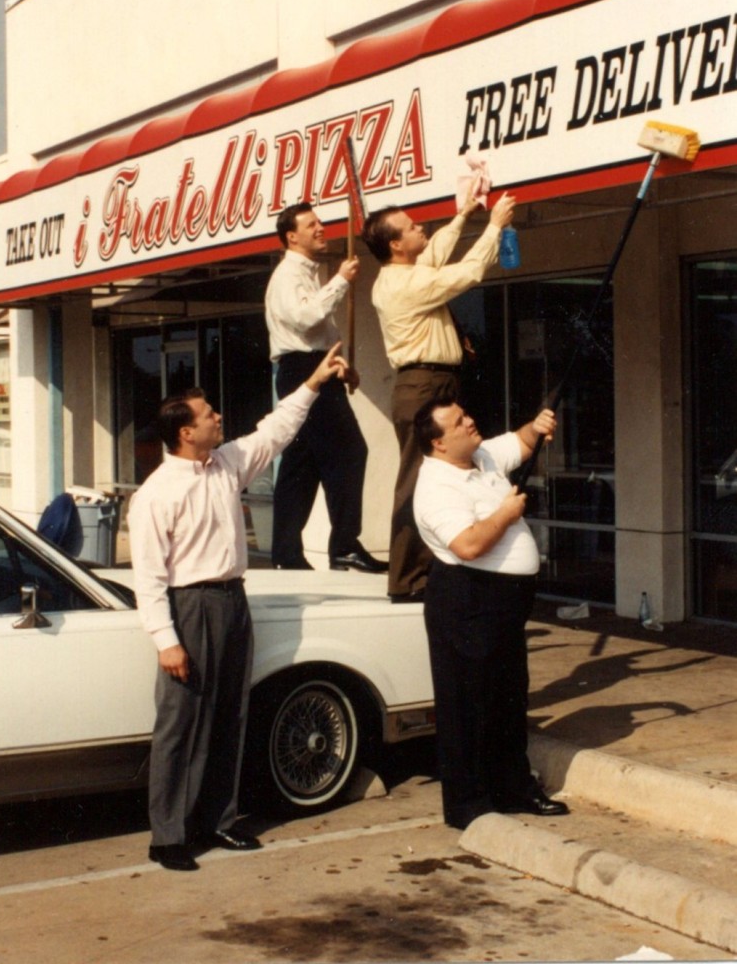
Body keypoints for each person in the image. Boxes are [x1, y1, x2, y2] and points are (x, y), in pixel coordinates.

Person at [128, 345, 349, 872]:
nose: (218, 417)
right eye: (208, 415)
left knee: (230, 715)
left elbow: (276, 430)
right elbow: (149, 577)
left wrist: (315, 381)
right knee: (182, 724)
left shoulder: (225, 464)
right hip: (190, 608)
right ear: (186, 431)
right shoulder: (156, 494)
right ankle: (169, 837)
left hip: (232, 601)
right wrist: (167, 640)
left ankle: (217, 822)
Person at [412, 397, 570, 830]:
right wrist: (506, 512)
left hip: (504, 603)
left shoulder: (480, 455)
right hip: (467, 600)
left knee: (507, 698)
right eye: (459, 421)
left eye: (467, 413)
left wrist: (535, 426)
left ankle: (513, 790)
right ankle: (469, 807)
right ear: (439, 443)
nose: (469, 421)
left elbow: (518, 443)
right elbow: (468, 545)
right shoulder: (435, 486)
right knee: (467, 706)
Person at [363, 185, 515, 603]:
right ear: (396, 245)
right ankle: (408, 580)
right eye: (412, 227)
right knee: (417, 480)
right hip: (424, 384)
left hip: (435, 383)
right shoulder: (404, 285)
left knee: (438, 477)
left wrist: (465, 213)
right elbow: (466, 272)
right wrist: (495, 226)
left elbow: (436, 250)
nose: (421, 228)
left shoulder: (403, 272)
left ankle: (425, 571)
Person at [265, 201, 387, 573]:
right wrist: (341, 281)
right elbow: (306, 319)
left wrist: (339, 367)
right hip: (302, 370)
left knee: (302, 465)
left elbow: (317, 333)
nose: (321, 228)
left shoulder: (306, 274)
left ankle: (286, 554)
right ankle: (345, 546)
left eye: (320, 222)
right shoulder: (288, 275)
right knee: (350, 450)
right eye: (311, 224)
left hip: (311, 368)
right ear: (292, 237)